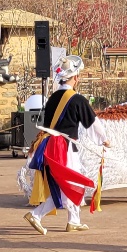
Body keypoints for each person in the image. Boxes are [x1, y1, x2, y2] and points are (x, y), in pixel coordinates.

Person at [25, 56, 110, 235]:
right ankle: (37, 214)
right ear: (76, 77)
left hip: (49, 144)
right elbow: (92, 123)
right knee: (69, 182)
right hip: (64, 146)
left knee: (65, 183)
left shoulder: (52, 98)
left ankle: (74, 220)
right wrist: (104, 139)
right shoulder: (77, 99)